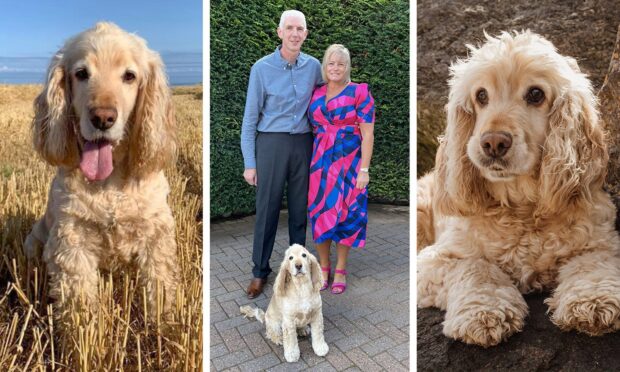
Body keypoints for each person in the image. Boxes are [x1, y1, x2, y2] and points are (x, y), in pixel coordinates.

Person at [240, 10, 322, 299]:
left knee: (300, 210)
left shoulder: (314, 67)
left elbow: (326, 101)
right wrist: (250, 162)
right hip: (271, 144)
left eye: (300, 28)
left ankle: (298, 270)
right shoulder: (261, 69)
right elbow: (250, 119)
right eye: (290, 28)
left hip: (303, 144)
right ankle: (260, 271)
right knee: (267, 210)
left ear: (306, 33)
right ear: (280, 32)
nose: (295, 33)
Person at [307, 44, 375, 294]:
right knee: (319, 213)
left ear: (348, 67)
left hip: (349, 163)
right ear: (325, 66)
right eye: (331, 63)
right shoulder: (316, 92)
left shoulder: (359, 92)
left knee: (347, 214)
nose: (335, 68)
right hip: (320, 164)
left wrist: (364, 170)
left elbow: (368, 134)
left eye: (341, 64)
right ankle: (324, 267)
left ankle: (341, 269)